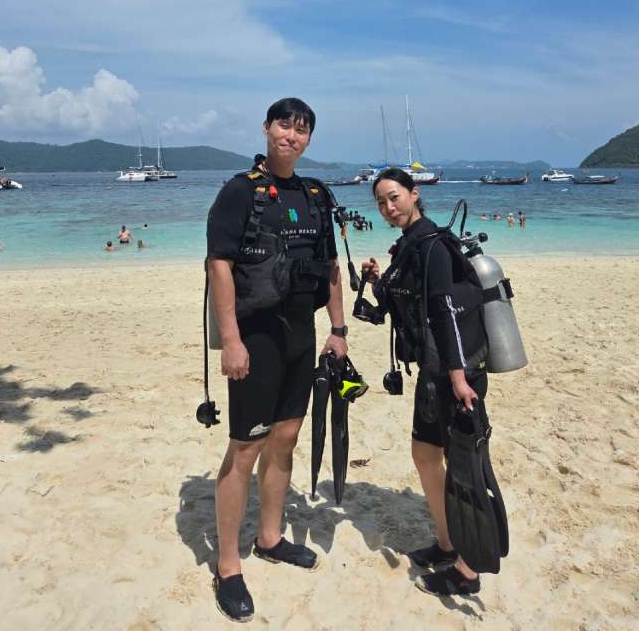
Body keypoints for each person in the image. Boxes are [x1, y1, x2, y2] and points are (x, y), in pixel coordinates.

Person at [206, 97, 347, 622]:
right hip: (256, 335)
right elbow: (219, 265)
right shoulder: (240, 191)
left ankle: (269, 538)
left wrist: (338, 329)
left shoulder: (315, 195)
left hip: (300, 334)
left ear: (309, 139)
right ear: (267, 128)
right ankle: (227, 566)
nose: (292, 135)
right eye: (284, 125)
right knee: (246, 446)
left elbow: (330, 267)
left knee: (285, 436)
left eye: (302, 129)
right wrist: (231, 339)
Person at [363, 167, 489, 600]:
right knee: (424, 455)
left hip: (456, 374)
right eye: (381, 202)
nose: (388, 207)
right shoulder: (408, 246)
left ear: (414, 194)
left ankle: (468, 570)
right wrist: (378, 280)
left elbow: (444, 311)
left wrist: (457, 375)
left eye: (394, 197)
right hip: (434, 373)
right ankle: (448, 541)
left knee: (465, 469)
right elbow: (403, 305)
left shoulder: (434, 246)